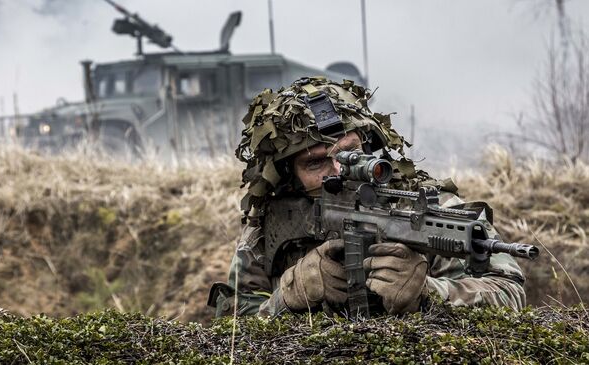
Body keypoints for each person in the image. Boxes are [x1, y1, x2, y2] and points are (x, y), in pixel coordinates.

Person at [208, 77, 526, 317]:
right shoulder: (271, 224)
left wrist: (431, 293)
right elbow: (231, 323)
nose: (338, 170)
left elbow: (510, 293)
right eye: (315, 162)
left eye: (350, 153)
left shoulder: (426, 208)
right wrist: (286, 298)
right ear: (289, 176)